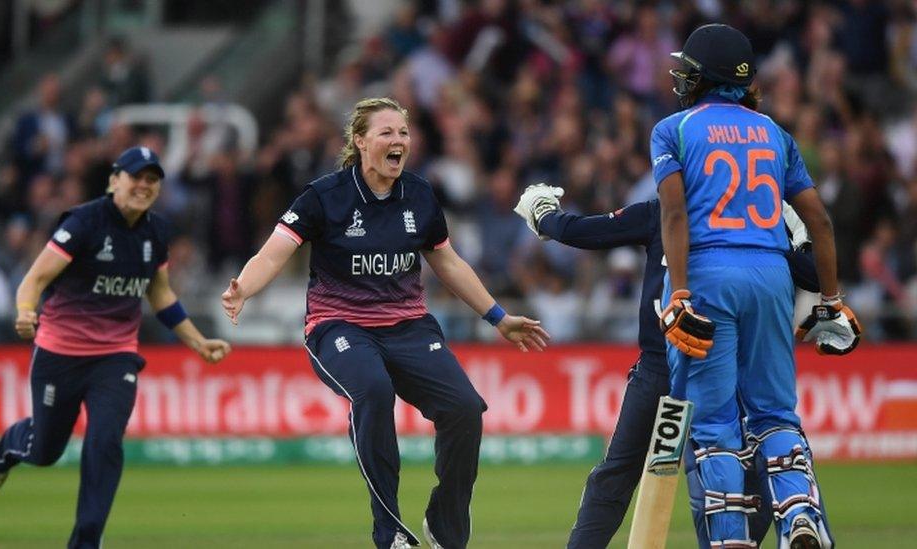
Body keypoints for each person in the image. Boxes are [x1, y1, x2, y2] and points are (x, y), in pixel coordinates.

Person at [220, 97, 549, 549]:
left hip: (410, 328)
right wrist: (244, 288)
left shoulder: (418, 193)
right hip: (338, 326)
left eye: (404, 133)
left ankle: (445, 526)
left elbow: (447, 262)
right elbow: (277, 250)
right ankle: (390, 531)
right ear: (359, 141)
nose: (399, 141)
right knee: (373, 391)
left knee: (465, 410)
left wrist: (498, 317)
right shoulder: (324, 196)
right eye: (387, 132)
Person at [514, 186, 822, 548]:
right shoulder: (755, 219)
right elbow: (814, 277)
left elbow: (580, 232)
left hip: (666, 370)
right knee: (737, 475)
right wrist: (796, 243)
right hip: (718, 372)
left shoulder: (666, 210)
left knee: (619, 476)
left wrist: (545, 215)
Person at [652, 24, 861, 547]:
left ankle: (729, 537)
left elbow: (674, 215)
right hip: (771, 276)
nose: (680, 76)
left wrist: (678, 293)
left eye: (689, 70)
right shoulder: (775, 132)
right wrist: (831, 302)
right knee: (774, 413)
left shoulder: (672, 129)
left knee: (717, 423)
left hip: (707, 275)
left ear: (706, 77)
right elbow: (820, 222)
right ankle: (799, 515)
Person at [0, 146, 232, 549]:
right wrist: (25, 311)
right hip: (59, 354)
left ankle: (86, 543)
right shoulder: (84, 222)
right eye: (136, 177)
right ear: (115, 180)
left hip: (115, 357)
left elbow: (160, 294)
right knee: (45, 450)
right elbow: (35, 278)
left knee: (105, 440)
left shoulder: (156, 233)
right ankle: (7, 448)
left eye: (152, 180)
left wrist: (197, 342)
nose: (144, 186)